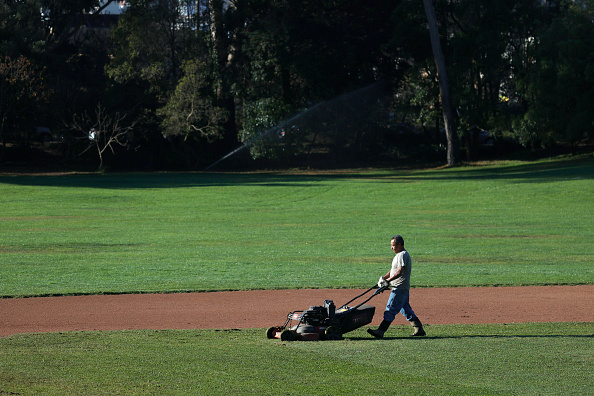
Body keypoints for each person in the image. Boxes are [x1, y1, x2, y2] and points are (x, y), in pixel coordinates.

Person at [368, 235, 426, 338]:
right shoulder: (399, 255)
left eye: (393, 245)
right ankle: (419, 329)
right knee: (406, 309)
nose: (391, 247)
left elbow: (399, 271)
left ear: (399, 245)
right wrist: (384, 278)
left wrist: (388, 281)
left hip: (399, 288)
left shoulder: (402, 254)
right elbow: (393, 270)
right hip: (402, 288)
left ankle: (381, 331)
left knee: (390, 309)